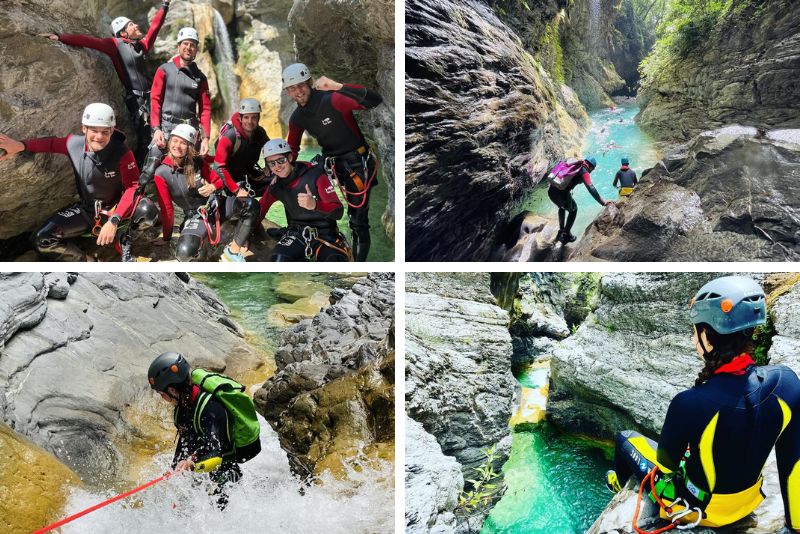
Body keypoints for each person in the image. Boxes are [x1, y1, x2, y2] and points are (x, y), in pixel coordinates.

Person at [605, 276, 800, 532]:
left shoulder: (688, 402)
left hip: (698, 510)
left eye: (695, 330)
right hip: (747, 502)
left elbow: (665, 469)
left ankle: (618, 485)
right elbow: (793, 462)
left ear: (706, 337)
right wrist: (794, 527)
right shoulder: (786, 382)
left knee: (625, 439)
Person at [0, 103, 156, 261]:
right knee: (41, 239)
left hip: (117, 208)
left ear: (112, 130)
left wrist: (114, 220)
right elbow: (51, 143)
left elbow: (133, 187)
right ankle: (88, 262)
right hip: (88, 212)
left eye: (105, 132)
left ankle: (123, 240)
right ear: (84, 129)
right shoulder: (74, 145)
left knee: (148, 211)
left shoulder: (121, 151)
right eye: (94, 131)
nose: (99, 137)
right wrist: (20, 145)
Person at [39, 1, 171, 164]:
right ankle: (139, 176)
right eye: (131, 24)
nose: (136, 25)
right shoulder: (115, 44)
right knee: (146, 139)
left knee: (162, 134)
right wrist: (61, 37)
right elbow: (88, 41)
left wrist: (165, 5)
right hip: (138, 102)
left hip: (153, 99)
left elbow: (155, 28)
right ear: (123, 33)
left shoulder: (141, 46)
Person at [282, 63, 382, 261]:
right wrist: (279, 170)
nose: (298, 91)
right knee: (298, 182)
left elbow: (374, 100)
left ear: (310, 82)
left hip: (356, 163)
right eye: (292, 88)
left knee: (358, 221)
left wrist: (338, 86)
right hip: (330, 162)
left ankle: (357, 266)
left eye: (301, 85)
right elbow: (292, 149)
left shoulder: (332, 99)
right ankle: (312, 235)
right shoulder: (298, 118)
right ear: (287, 92)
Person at [147, 351, 260, 509]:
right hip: (206, 466)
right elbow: (185, 443)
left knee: (221, 509)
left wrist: (190, 464)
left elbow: (215, 455)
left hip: (226, 468)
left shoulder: (211, 408)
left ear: (172, 390)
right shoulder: (181, 409)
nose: (162, 398)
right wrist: (174, 469)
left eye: (161, 393)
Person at [149, 124, 259, 262]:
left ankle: (233, 252)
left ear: (190, 147)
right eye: (174, 141)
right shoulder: (161, 173)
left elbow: (219, 181)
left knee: (251, 205)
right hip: (196, 217)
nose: (177, 146)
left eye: (183, 143)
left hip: (217, 206)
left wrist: (213, 187)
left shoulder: (197, 162)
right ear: (169, 142)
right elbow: (167, 209)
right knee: (184, 253)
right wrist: (166, 237)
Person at [258, 139, 350, 262]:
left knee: (334, 262)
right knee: (278, 260)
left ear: (290, 157)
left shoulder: (316, 175)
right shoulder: (276, 186)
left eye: (281, 160)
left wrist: (315, 205)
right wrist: (245, 235)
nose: (277, 166)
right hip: (296, 234)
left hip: (325, 234)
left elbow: (338, 212)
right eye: (272, 163)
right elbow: (260, 210)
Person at [141, 27, 211, 185]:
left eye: (192, 45)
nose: (188, 47)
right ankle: (138, 195)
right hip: (165, 127)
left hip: (189, 130)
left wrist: (206, 138)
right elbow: (155, 100)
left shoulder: (200, 78)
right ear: (178, 46)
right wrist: (156, 129)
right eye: (185, 44)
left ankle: (194, 200)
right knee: (150, 167)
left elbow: (205, 109)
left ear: (196, 49)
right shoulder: (164, 70)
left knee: (194, 173)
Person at [212, 98, 271, 200]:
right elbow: (218, 167)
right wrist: (236, 190)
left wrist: (268, 165)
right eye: (246, 117)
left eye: (254, 117)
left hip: (248, 173)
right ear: (240, 118)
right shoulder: (230, 136)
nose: (250, 121)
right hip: (228, 180)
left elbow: (270, 149)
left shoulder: (260, 132)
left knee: (280, 182)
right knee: (246, 203)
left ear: (258, 118)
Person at [547, 157, 611, 244]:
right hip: (561, 194)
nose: (591, 171)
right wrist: (603, 202)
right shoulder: (584, 171)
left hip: (551, 191)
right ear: (590, 166)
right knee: (573, 209)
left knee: (562, 207)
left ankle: (561, 230)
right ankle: (565, 235)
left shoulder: (575, 164)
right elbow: (591, 187)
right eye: (592, 169)